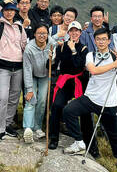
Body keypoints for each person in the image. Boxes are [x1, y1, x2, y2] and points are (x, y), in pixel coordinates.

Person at [62, 27, 117, 172]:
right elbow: (93, 70)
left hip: (108, 102)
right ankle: (80, 142)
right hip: (90, 98)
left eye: (104, 39)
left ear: (109, 41)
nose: (101, 42)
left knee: (114, 134)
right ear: (94, 40)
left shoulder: (115, 55)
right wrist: (114, 65)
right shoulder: (90, 55)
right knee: (68, 111)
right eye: (98, 39)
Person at [0, 0, 28, 142]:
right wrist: (0, 2)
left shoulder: (19, 27)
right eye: (7, 10)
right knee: (3, 97)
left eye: (12, 10)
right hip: (2, 66)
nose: (9, 12)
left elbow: (24, 45)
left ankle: (7, 124)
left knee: (14, 98)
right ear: (3, 11)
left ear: (15, 12)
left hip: (17, 66)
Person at [48, 21, 88, 150]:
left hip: (78, 83)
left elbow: (78, 66)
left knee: (81, 111)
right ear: (68, 32)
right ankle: (54, 138)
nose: (74, 33)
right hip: (64, 82)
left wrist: (72, 49)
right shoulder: (61, 46)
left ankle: (82, 138)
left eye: (77, 31)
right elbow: (55, 65)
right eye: (72, 31)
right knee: (56, 106)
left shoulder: (83, 49)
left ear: (80, 33)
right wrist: (50, 60)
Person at [22, 24, 56, 143]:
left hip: (45, 75)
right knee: (31, 99)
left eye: (44, 33)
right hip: (32, 75)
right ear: (35, 34)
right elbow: (26, 69)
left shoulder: (52, 44)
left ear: (48, 34)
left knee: (42, 101)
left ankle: (37, 127)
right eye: (39, 33)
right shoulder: (29, 48)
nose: (42, 36)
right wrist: (29, 89)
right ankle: (28, 128)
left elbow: (55, 61)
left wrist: (53, 58)